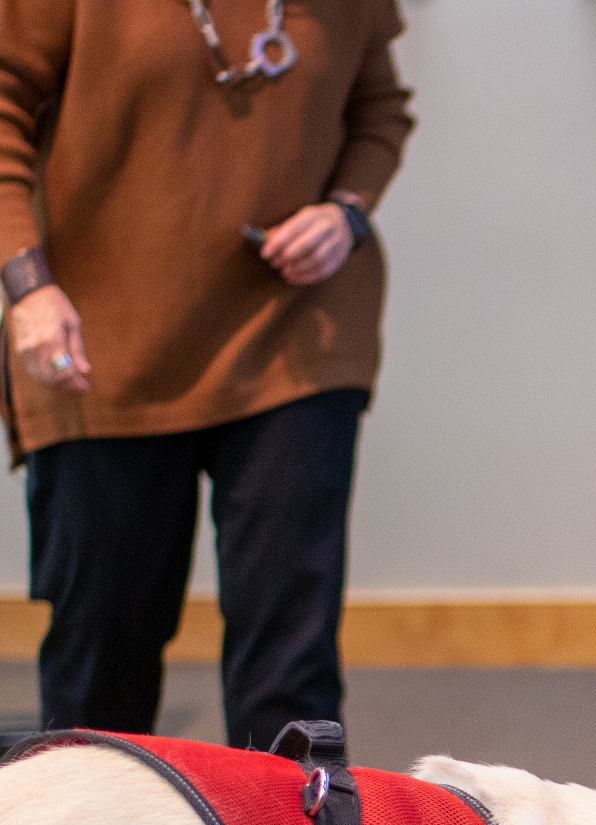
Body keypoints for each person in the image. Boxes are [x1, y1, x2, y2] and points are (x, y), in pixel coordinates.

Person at [0, 0, 414, 751]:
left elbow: (380, 109)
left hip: (297, 337)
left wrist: (345, 213)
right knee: (102, 667)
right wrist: (27, 284)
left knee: (291, 665)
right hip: (100, 351)